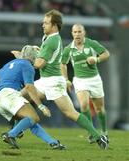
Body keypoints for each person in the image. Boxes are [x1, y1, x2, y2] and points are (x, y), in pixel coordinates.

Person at [17, 10, 108, 150]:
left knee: (70, 113)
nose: (42, 25)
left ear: (54, 25)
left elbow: (39, 64)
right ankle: (16, 131)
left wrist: (24, 59)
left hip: (54, 82)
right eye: (43, 22)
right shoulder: (48, 37)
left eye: (46, 23)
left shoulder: (52, 40)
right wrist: (39, 51)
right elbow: (48, 56)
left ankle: (98, 137)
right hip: (45, 80)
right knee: (19, 97)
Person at [0, 45, 66, 150]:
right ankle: (11, 134)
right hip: (10, 95)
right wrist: (41, 106)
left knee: (30, 121)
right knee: (34, 117)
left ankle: (53, 143)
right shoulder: (28, 66)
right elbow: (29, 87)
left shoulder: (10, 63)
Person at [61, 23, 110, 143]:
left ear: (84, 33)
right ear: (72, 33)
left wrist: (96, 59)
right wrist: (66, 79)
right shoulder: (68, 48)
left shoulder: (92, 43)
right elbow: (62, 64)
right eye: (75, 32)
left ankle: (104, 132)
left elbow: (106, 54)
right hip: (80, 80)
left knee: (99, 109)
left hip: (94, 79)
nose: (77, 34)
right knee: (83, 105)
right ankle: (92, 132)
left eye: (79, 32)